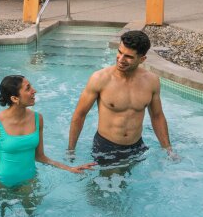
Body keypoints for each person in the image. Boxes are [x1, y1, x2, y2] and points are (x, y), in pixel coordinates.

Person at [67, 30, 178, 165]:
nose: (121, 59)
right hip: (106, 147)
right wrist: (71, 150)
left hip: (137, 146)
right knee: (103, 185)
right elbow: (80, 114)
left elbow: (157, 116)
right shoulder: (100, 78)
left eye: (128, 57)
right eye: (119, 52)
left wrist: (168, 149)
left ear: (142, 59)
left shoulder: (151, 81)